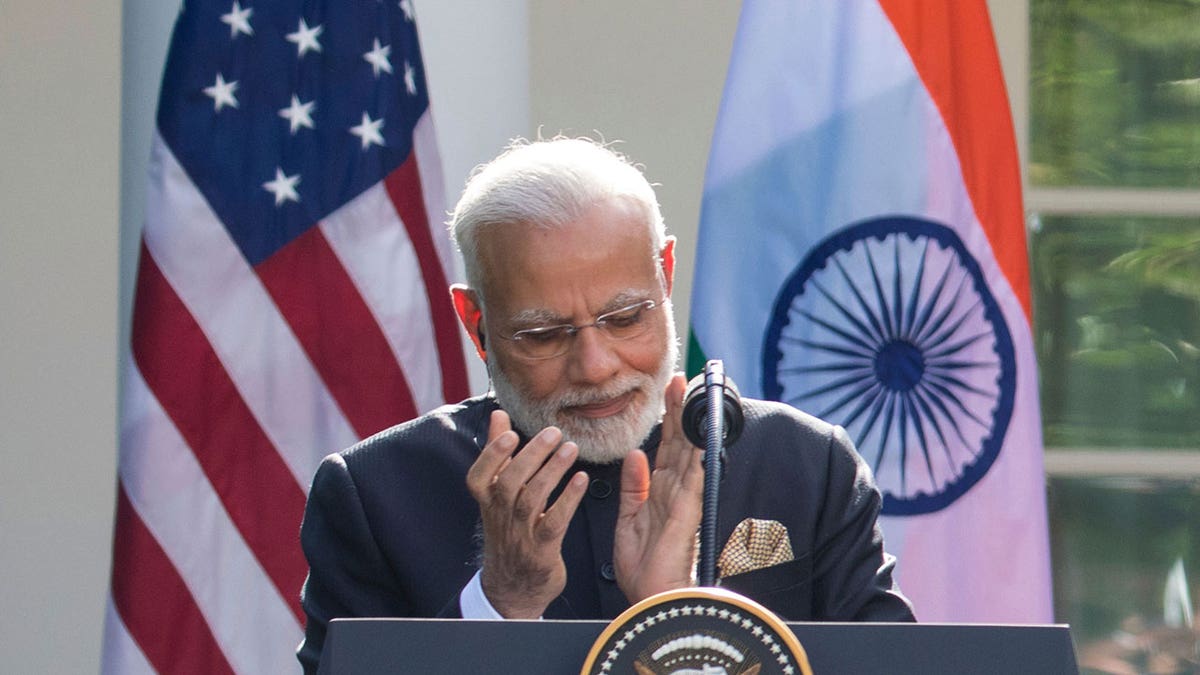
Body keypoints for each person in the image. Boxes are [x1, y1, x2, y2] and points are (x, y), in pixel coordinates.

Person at [296, 137, 914, 672]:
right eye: (542, 334)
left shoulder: (808, 465)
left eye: (624, 318)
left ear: (665, 274)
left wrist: (678, 621)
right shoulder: (372, 494)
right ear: (475, 321)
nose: (595, 366)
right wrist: (501, 603)